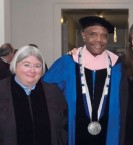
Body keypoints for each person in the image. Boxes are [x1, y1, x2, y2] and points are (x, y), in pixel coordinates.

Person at [43, 16, 122, 145]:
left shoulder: (118, 66)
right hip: (72, 133)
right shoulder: (67, 63)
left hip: (110, 135)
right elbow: (47, 94)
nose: (99, 40)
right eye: (93, 34)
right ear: (84, 36)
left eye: (104, 36)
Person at [0, 45, 68, 145]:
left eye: (37, 66)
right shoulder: (2, 90)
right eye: (26, 65)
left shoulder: (53, 92)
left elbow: (63, 128)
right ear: (15, 65)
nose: (32, 70)